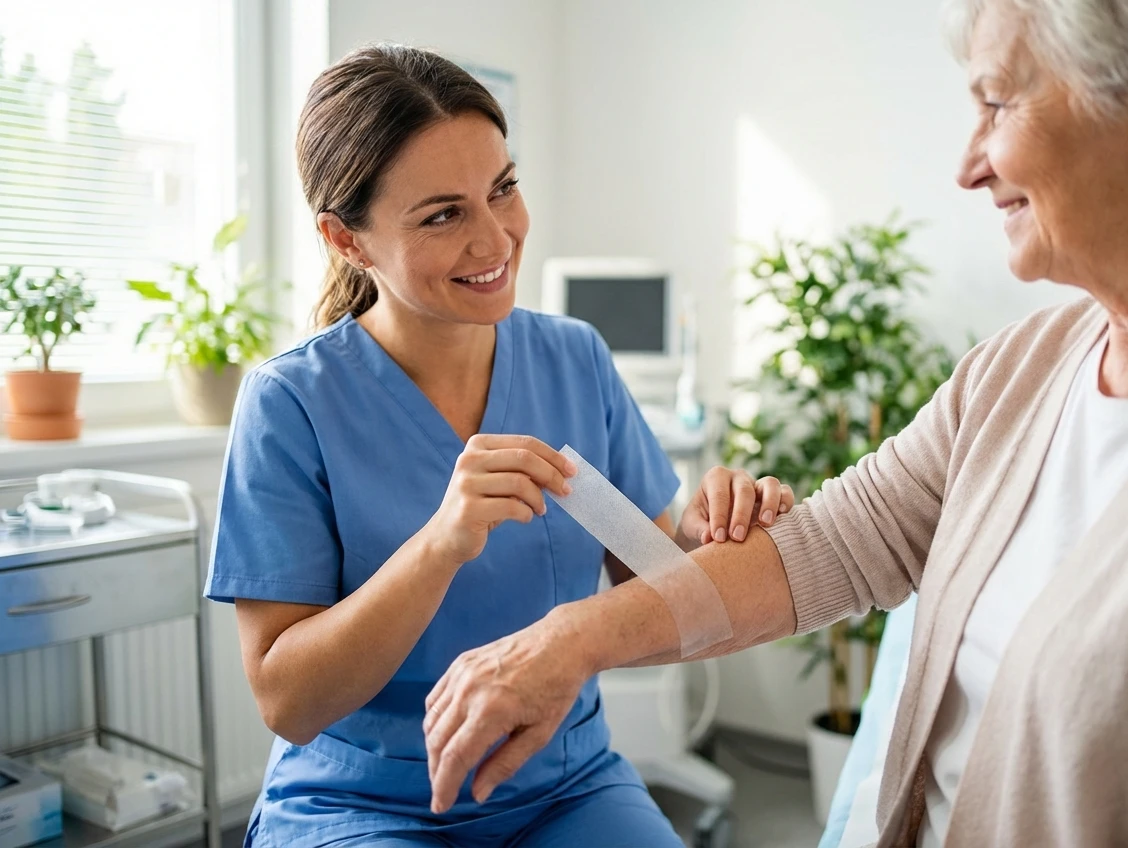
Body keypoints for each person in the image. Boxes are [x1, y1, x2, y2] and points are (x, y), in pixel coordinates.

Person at [421, 1, 1128, 845]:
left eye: (997, 104)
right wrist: (569, 641)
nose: (969, 166)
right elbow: (829, 544)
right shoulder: (1022, 370)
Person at [205, 44, 795, 848]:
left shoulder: (574, 358)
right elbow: (288, 701)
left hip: (566, 785)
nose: (497, 239)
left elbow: (654, 575)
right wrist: (441, 543)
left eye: (504, 189)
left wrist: (719, 527)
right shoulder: (291, 404)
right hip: (365, 806)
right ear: (347, 240)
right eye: (443, 214)